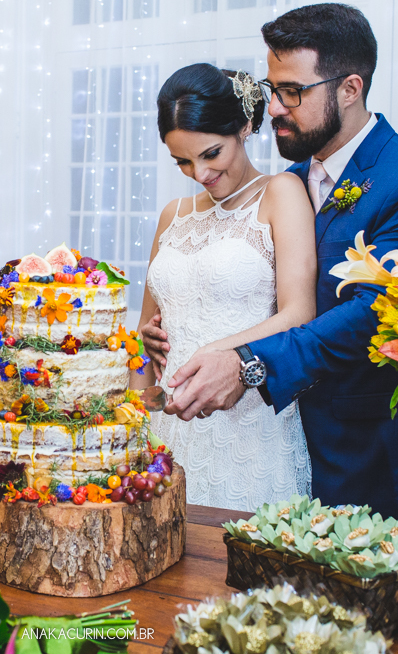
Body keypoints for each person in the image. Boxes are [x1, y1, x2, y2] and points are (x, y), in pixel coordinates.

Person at [142, 4, 398, 519]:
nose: (273, 109)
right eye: (273, 90)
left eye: (292, 92)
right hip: (272, 432)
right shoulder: (287, 179)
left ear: (349, 89)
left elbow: (376, 311)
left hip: (361, 446)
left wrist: (248, 362)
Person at [134, 63, 314, 512]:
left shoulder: (281, 192)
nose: (199, 173)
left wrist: (215, 354)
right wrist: (134, 415)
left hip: (250, 427)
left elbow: (299, 314)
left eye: (211, 153)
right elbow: (144, 329)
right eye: (183, 161)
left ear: (245, 126)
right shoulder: (172, 215)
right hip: (169, 431)